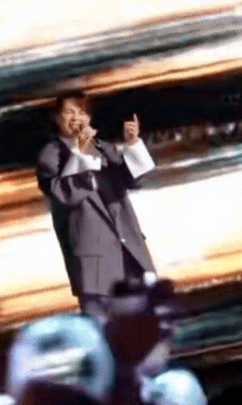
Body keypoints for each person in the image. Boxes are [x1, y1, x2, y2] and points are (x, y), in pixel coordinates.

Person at [36, 91, 157, 325]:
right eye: (69, 113)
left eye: (81, 113)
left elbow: (133, 180)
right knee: (100, 328)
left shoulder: (103, 147)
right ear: (56, 118)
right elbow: (65, 194)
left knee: (144, 325)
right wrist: (80, 155)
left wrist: (132, 143)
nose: (76, 119)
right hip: (93, 263)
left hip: (129, 250)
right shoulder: (50, 156)